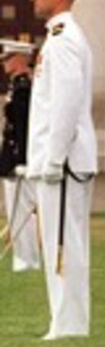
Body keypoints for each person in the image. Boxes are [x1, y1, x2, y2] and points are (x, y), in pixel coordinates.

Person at [23, 0, 97, 339]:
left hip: (64, 163)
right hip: (60, 161)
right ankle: (65, 320)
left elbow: (66, 105)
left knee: (62, 243)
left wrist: (52, 159)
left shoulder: (65, 38)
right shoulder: (58, 36)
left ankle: (68, 325)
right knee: (58, 241)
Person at [0, 46, 40, 272]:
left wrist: (23, 160)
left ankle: (28, 258)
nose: (4, 62)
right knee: (16, 212)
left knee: (21, 210)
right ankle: (23, 256)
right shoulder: (16, 86)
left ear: (20, 59)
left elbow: (25, 127)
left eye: (8, 58)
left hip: (19, 160)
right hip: (11, 158)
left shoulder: (24, 88)